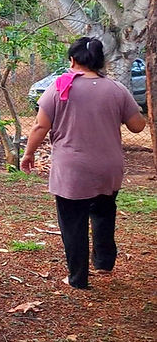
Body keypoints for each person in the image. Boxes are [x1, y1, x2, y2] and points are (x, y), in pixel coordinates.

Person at [20, 37, 147, 290]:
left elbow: (40, 126)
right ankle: (104, 263)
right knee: (104, 210)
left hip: (72, 170)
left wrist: (28, 154)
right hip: (108, 168)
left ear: (73, 60)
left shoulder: (59, 88)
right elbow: (137, 126)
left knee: (73, 222)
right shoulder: (117, 89)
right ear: (100, 61)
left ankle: (78, 278)